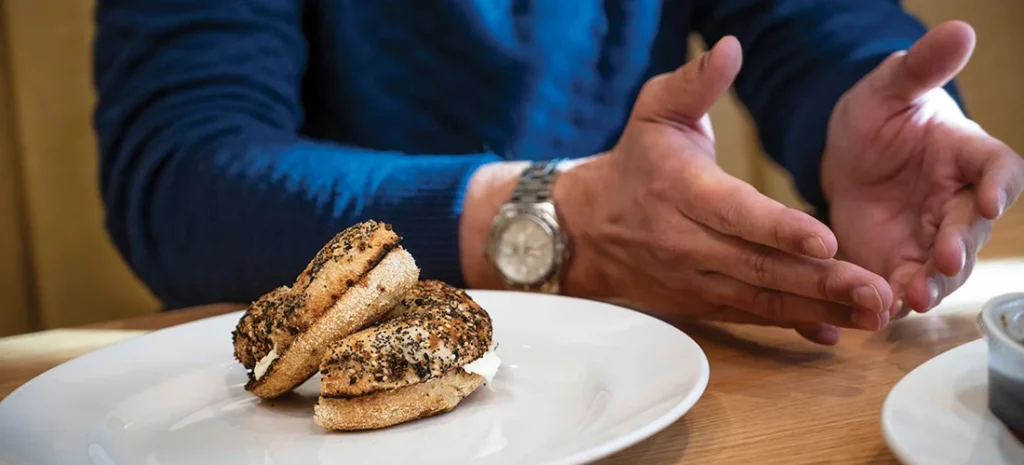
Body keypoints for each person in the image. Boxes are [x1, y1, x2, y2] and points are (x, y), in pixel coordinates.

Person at [93, 1, 1023, 345]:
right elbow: (181, 170)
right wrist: (548, 220)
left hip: (634, 374)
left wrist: (879, 110)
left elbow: (812, 18)